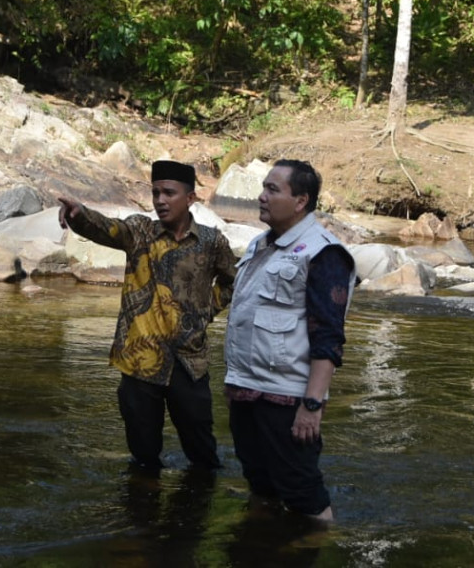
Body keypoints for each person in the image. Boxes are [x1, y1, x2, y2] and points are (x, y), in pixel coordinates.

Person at [58, 160, 237, 471]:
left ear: (190, 198)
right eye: (155, 193)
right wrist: (79, 215)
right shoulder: (140, 232)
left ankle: (197, 512)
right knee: (143, 458)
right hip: (140, 362)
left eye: (169, 193)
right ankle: (142, 511)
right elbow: (107, 228)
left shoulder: (211, 242)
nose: (160, 200)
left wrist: (205, 312)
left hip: (189, 361)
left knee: (203, 454)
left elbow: (233, 281)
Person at [223, 159, 355, 522]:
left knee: (303, 492)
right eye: (263, 187)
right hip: (247, 389)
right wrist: (234, 385)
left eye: (272, 190)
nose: (261, 196)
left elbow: (329, 337)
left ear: (301, 201)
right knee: (260, 485)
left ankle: (311, 549)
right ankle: (262, 549)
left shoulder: (324, 253)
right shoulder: (259, 245)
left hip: (287, 398)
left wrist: (312, 405)